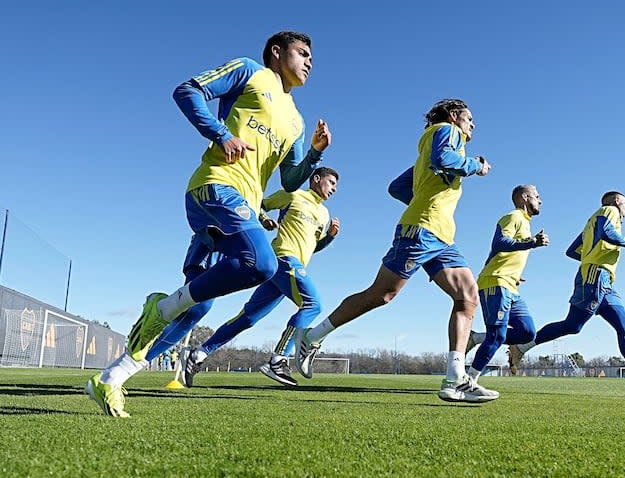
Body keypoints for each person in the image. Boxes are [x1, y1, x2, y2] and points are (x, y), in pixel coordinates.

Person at [86, 31, 332, 417]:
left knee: (206, 302)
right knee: (264, 264)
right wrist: (221, 135)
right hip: (214, 187)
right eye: (302, 53)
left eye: (312, 59)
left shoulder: (297, 122)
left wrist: (314, 154)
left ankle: (112, 378)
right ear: (276, 52)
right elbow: (187, 90)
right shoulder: (251, 72)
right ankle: (163, 308)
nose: (309, 62)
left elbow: (289, 180)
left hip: (240, 209)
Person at [294, 99, 498, 403]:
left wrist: (423, 198)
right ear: (455, 117)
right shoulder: (447, 132)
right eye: (470, 119)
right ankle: (310, 337)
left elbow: (398, 187)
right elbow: (444, 158)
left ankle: (455, 379)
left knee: (467, 295)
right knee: (381, 294)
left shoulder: (425, 154)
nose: (473, 125)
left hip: (441, 237)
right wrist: (475, 166)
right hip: (422, 231)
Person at [510, 191, 625, 396]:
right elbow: (608, 233)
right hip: (594, 277)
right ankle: (521, 346)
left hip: (604, 281)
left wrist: (591, 255)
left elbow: (572, 251)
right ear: (617, 201)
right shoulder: (609, 210)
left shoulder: (591, 222)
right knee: (572, 326)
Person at [183, 167, 341, 387]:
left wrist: (330, 237)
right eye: (331, 182)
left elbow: (314, 246)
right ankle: (278, 360)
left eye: (336, 185)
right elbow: (258, 204)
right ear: (316, 179)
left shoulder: (324, 214)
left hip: (290, 270)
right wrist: (265, 218)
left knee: (248, 318)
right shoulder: (292, 194)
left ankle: (198, 354)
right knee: (312, 304)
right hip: (283, 259)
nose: (334, 188)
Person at [465, 185, 549, 380]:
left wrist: (514, 273)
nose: (540, 200)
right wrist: (531, 243)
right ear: (525, 197)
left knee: (528, 332)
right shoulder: (513, 217)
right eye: (537, 196)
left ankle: (476, 338)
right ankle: (469, 380)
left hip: (510, 285)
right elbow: (499, 242)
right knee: (496, 336)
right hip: (496, 283)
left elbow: (496, 253)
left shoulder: (525, 222)